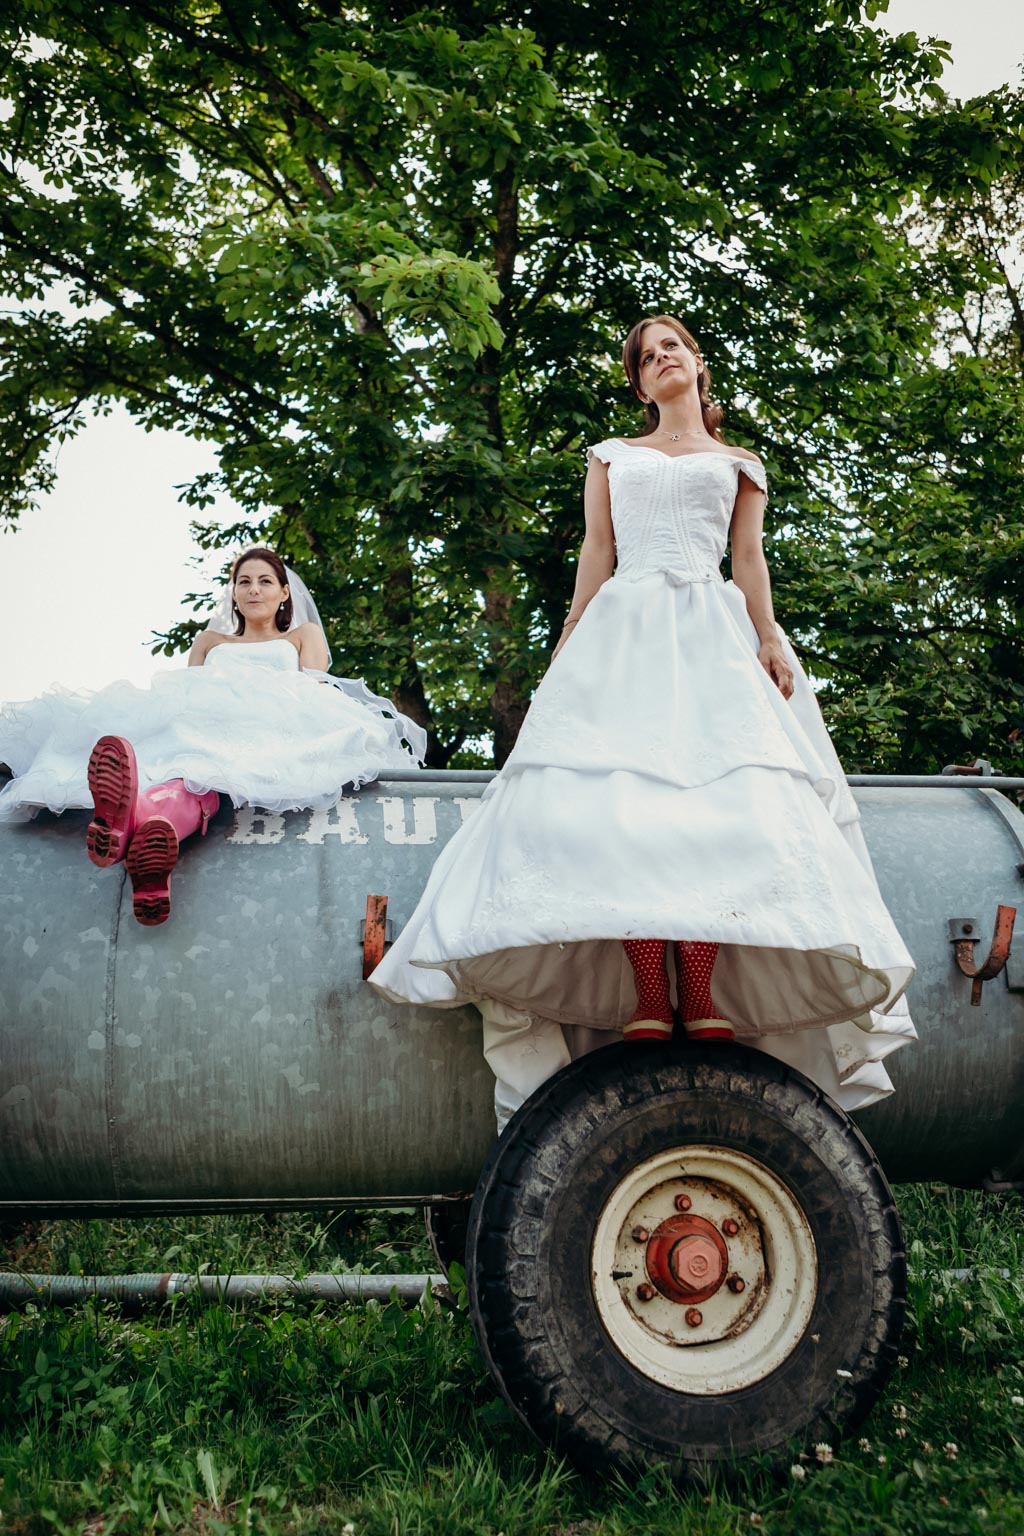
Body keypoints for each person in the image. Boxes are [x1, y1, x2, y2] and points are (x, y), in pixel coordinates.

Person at [369, 315, 916, 1131]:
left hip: (710, 635)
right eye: (647, 355)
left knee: (718, 819)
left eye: (674, 347)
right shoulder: (611, 456)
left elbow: (748, 558)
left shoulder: (740, 464)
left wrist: (767, 635)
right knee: (619, 819)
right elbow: (597, 549)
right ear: (638, 382)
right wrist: (569, 637)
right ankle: (650, 994)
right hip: (623, 633)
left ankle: (698, 985)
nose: (663, 359)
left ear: (698, 364)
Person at [0, 547, 426, 924]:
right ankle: (146, 828)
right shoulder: (209, 640)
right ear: (234, 594)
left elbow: (315, 693)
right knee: (191, 767)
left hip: (272, 724)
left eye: (264, 581)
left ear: (283, 593)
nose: (253, 589)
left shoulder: (301, 636)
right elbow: (187, 698)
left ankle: (130, 824)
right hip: (209, 724)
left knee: (214, 771)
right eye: (244, 582)